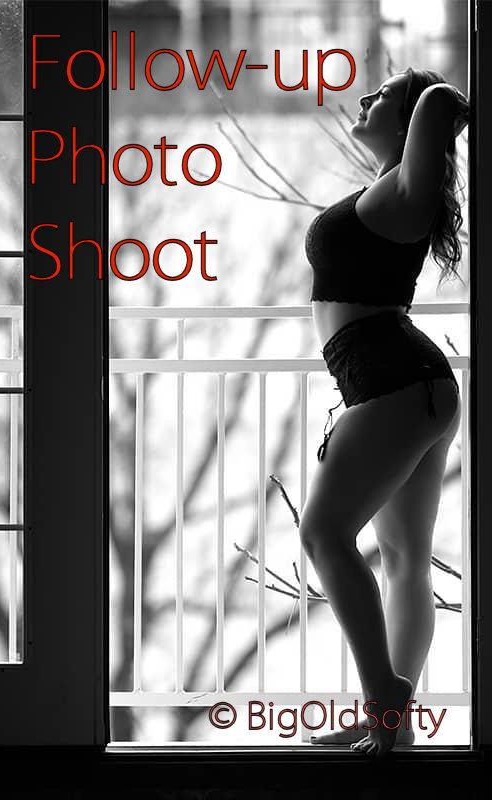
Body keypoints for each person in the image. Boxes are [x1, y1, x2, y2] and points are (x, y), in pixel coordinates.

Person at [300, 67, 469, 758]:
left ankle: (384, 697)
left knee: (324, 534)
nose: (366, 97)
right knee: (403, 562)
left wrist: (432, 94)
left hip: (396, 383)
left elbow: (445, 99)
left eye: (385, 94)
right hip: (408, 385)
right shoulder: (391, 189)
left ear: (409, 122)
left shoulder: (407, 188)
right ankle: (390, 728)